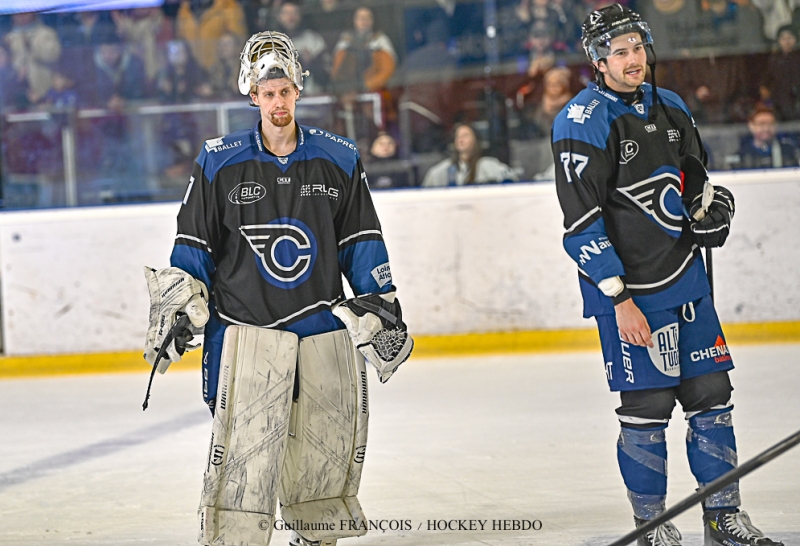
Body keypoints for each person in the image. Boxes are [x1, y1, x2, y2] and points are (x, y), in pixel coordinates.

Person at [142, 30, 412, 546]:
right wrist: (179, 307)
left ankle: (316, 538)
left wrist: (381, 303)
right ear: (252, 95)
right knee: (243, 454)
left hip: (320, 328)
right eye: (268, 93)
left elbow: (361, 239)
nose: (278, 101)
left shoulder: (339, 157)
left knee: (321, 450)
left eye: (285, 90)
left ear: (298, 92)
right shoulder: (218, 160)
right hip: (244, 332)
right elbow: (194, 242)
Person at [552, 5, 784, 546]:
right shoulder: (583, 120)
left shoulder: (672, 106)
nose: (633, 60)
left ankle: (723, 518)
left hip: (687, 283)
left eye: (637, 48)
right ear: (598, 60)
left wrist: (709, 211)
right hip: (631, 294)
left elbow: (693, 183)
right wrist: (618, 298)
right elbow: (581, 224)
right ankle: (652, 526)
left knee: (712, 395)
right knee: (647, 408)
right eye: (620, 52)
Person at [422, 123, 518, 187]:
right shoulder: (443, 170)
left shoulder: (488, 165)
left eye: (465, 135)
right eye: (458, 136)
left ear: (475, 140)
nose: (461, 139)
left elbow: (512, 181)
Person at [732, 104, 800, 169]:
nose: (766, 129)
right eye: (761, 124)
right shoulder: (742, 155)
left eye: (770, 124)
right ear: (751, 126)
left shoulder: (788, 151)